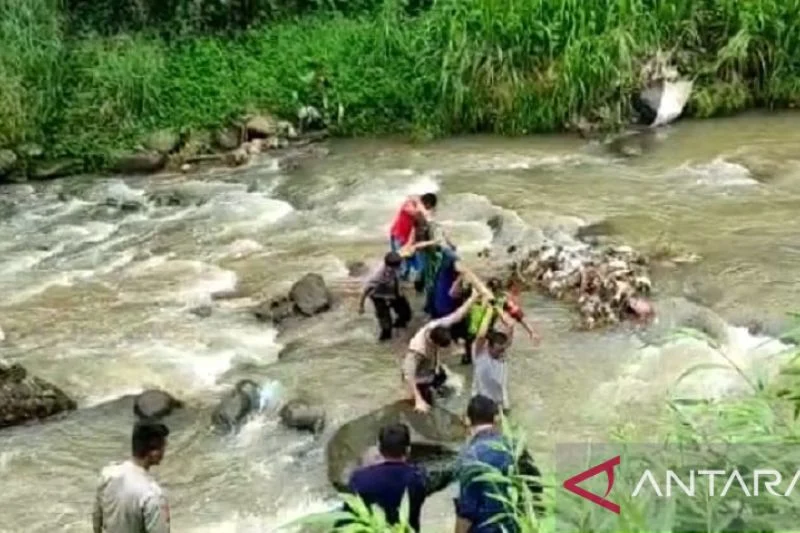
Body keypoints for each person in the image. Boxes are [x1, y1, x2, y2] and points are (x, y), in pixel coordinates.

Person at [404, 289, 482, 413]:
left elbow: (457, 315)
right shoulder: (417, 350)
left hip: (434, 369)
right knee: (426, 408)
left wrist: (473, 298)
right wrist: (418, 400)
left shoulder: (436, 325)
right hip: (421, 380)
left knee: (457, 386)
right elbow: (408, 375)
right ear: (435, 343)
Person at [453, 395, 518, 533]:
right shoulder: (514, 448)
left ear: (468, 420)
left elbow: (467, 510)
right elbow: (534, 489)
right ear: (496, 418)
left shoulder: (469, 455)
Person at [346, 423, 428, 532]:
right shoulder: (418, 479)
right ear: (408, 450)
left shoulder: (359, 479)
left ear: (379, 449)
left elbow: (349, 514)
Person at [93, 422, 170, 533]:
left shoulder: (107, 473)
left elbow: (97, 518)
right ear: (153, 452)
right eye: (163, 446)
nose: (164, 451)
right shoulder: (153, 494)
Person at [460, 277, 540, 365]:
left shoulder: (500, 300)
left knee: (505, 334)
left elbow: (519, 315)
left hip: (485, 331)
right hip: (469, 332)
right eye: (492, 291)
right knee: (471, 360)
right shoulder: (474, 296)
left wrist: (532, 332)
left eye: (496, 291)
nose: (494, 294)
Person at [359, 251, 412, 342]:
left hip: (393, 292)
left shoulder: (397, 263)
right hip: (378, 296)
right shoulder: (379, 276)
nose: (398, 268)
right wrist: (361, 306)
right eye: (396, 267)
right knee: (386, 327)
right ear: (388, 266)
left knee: (406, 314)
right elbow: (365, 290)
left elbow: (408, 250)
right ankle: (383, 344)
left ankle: (399, 328)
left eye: (398, 266)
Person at [389, 193, 438, 283]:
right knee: (399, 262)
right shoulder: (409, 204)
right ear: (427, 204)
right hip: (398, 236)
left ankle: (403, 282)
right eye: (429, 207)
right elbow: (417, 212)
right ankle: (396, 283)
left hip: (407, 239)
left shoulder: (416, 205)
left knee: (406, 264)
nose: (428, 209)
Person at [471, 306, 511, 413]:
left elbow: (510, 325)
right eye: (497, 351)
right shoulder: (480, 355)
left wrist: (497, 306)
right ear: (488, 346)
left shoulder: (503, 353)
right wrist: (489, 311)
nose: (501, 354)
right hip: (481, 403)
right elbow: (481, 335)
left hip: (500, 403)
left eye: (502, 350)